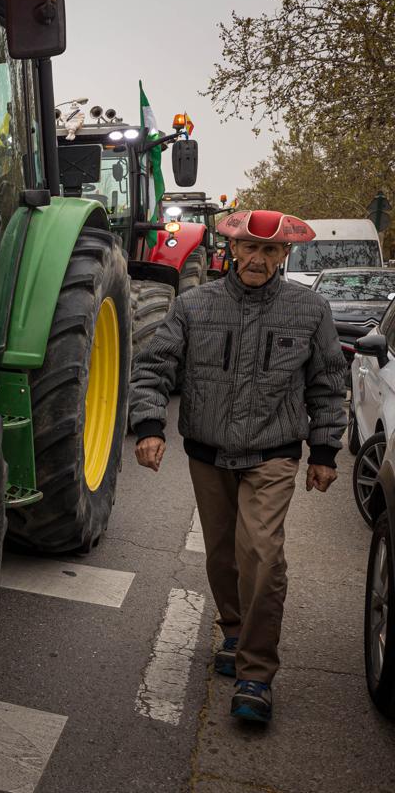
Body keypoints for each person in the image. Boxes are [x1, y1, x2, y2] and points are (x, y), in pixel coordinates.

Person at [129, 209, 347, 724]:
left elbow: (327, 382)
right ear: (233, 249)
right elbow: (154, 367)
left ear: (283, 256)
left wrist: (324, 451)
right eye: (250, 248)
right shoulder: (192, 305)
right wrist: (151, 427)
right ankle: (232, 629)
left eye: (270, 251)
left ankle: (255, 674)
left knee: (263, 556)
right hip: (209, 454)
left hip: (272, 454)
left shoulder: (310, 310)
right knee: (223, 557)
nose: (258, 259)